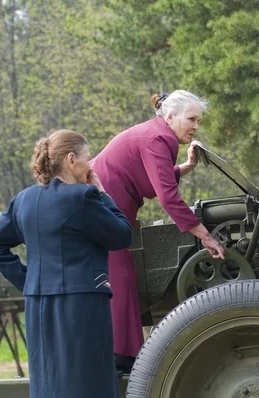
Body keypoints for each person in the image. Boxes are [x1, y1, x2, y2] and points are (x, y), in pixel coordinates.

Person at [0, 129, 132, 398]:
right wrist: (103, 192)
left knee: (49, 381)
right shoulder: (83, 198)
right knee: (89, 380)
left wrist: (28, 281)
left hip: (38, 304)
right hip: (82, 304)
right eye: (88, 157)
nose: (91, 164)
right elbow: (122, 235)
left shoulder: (23, 200)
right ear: (71, 160)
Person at [89, 89, 226, 373]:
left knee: (122, 273)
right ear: (170, 116)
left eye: (198, 120)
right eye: (191, 118)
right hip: (104, 201)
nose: (195, 126)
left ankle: (123, 353)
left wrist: (187, 166)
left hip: (113, 202)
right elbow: (167, 196)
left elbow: (156, 176)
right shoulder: (158, 137)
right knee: (120, 274)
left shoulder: (159, 136)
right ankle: (121, 357)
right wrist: (204, 234)